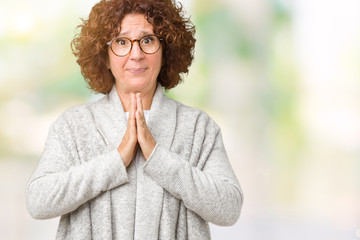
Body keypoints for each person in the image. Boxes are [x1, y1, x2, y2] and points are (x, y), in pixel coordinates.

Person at [26, 0, 243, 239]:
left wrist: (158, 157)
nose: (136, 54)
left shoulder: (198, 127)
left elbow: (229, 209)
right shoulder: (73, 126)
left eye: (148, 40)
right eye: (121, 42)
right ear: (104, 56)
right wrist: (116, 160)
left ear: (166, 50)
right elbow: (38, 201)